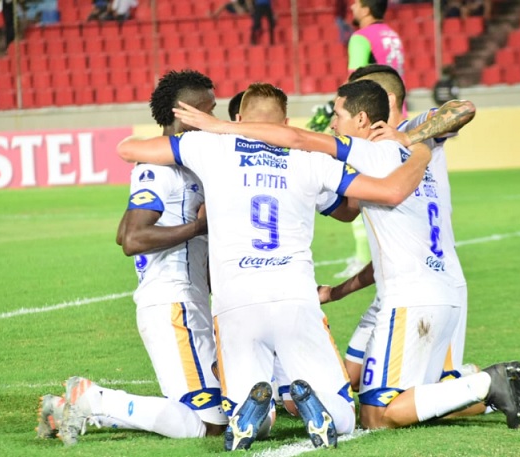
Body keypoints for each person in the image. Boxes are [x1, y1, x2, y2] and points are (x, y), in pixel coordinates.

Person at [172, 79, 520, 431]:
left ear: (362, 118)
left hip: (410, 296)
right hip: (446, 288)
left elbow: (297, 139)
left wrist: (219, 128)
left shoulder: (372, 149)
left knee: (376, 413)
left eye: (338, 114)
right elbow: (461, 109)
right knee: (405, 391)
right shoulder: (420, 141)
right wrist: (420, 144)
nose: (333, 123)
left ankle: (489, 383)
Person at [117, 81, 433, 450]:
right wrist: (421, 153)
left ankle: (253, 415)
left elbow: (128, 148)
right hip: (294, 297)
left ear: (238, 119)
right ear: (284, 123)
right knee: (344, 413)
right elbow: (386, 194)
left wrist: (209, 129)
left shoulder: (206, 146)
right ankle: (321, 409)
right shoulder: (311, 159)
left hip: (234, 304)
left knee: (242, 409)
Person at [320, 63, 520, 418]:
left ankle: (514, 385)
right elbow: (350, 209)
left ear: (384, 99)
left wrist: (410, 138)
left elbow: (462, 108)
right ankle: (505, 384)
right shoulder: (372, 149)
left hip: (432, 281)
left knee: (415, 396)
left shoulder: (414, 131)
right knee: (357, 380)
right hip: (400, 280)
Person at [38, 70, 228, 446]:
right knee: (210, 424)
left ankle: (71, 411)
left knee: (215, 410)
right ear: (185, 112)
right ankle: (93, 398)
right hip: (175, 304)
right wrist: (198, 227)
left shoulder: (165, 163)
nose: (213, 118)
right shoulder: (162, 168)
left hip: (177, 303)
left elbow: (121, 231)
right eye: (208, 110)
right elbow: (133, 238)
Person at [342, 0, 408, 279]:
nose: (352, 7)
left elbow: (355, 85)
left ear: (366, 8)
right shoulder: (392, 36)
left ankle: (363, 257)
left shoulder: (361, 37)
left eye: (356, 3)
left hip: (373, 123)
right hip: (399, 120)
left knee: (357, 187)